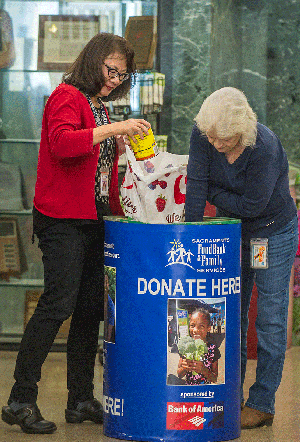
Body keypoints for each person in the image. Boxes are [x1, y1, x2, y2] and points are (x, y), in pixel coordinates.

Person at [1, 32, 150, 435]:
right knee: (57, 303)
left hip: (95, 219)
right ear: (94, 61)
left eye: (123, 75)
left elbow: (101, 174)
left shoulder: (100, 107)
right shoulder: (66, 96)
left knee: (89, 310)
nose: (116, 79)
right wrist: (112, 130)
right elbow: (63, 144)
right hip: (63, 219)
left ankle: (80, 398)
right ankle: (20, 398)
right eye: (111, 70)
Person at [185, 87, 298, 429]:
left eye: (225, 141)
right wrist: (191, 236)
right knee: (227, 315)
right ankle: (227, 396)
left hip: (272, 231)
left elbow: (254, 206)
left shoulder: (264, 145)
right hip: (231, 231)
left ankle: (262, 403)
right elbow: (195, 185)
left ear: (243, 131)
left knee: (270, 320)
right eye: (211, 139)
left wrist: (214, 192)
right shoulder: (205, 133)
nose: (216, 146)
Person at [177, 308, 220, 385]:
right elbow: (179, 375)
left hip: (206, 391)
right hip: (189, 391)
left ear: (208, 328)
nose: (195, 330)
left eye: (201, 326)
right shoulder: (186, 347)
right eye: (192, 325)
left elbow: (214, 378)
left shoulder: (213, 349)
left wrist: (203, 370)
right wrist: (184, 368)